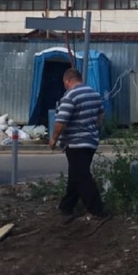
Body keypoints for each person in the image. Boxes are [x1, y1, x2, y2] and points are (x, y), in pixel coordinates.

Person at [48, 67, 107, 219]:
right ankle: (66, 206)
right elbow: (101, 116)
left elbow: (61, 121)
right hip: (90, 141)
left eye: (64, 83)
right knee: (76, 175)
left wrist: (54, 139)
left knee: (82, 177)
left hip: (75, 143)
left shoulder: (70, 96)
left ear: (68, 80)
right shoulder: (94, 94)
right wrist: (93, 129)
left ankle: (97, 210)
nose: (65, 86)